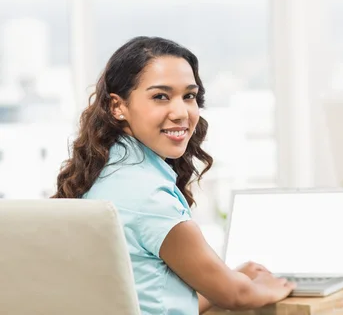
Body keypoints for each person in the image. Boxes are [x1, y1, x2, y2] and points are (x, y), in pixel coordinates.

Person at [52, 36, 295, 314]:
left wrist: (230, 278)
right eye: (160, 97)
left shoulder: (106, 172)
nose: (181, 112)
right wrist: (269, 287)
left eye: (189, 96)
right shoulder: (150, 197)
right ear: (117, 106)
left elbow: (154, 302)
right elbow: (235, 297)